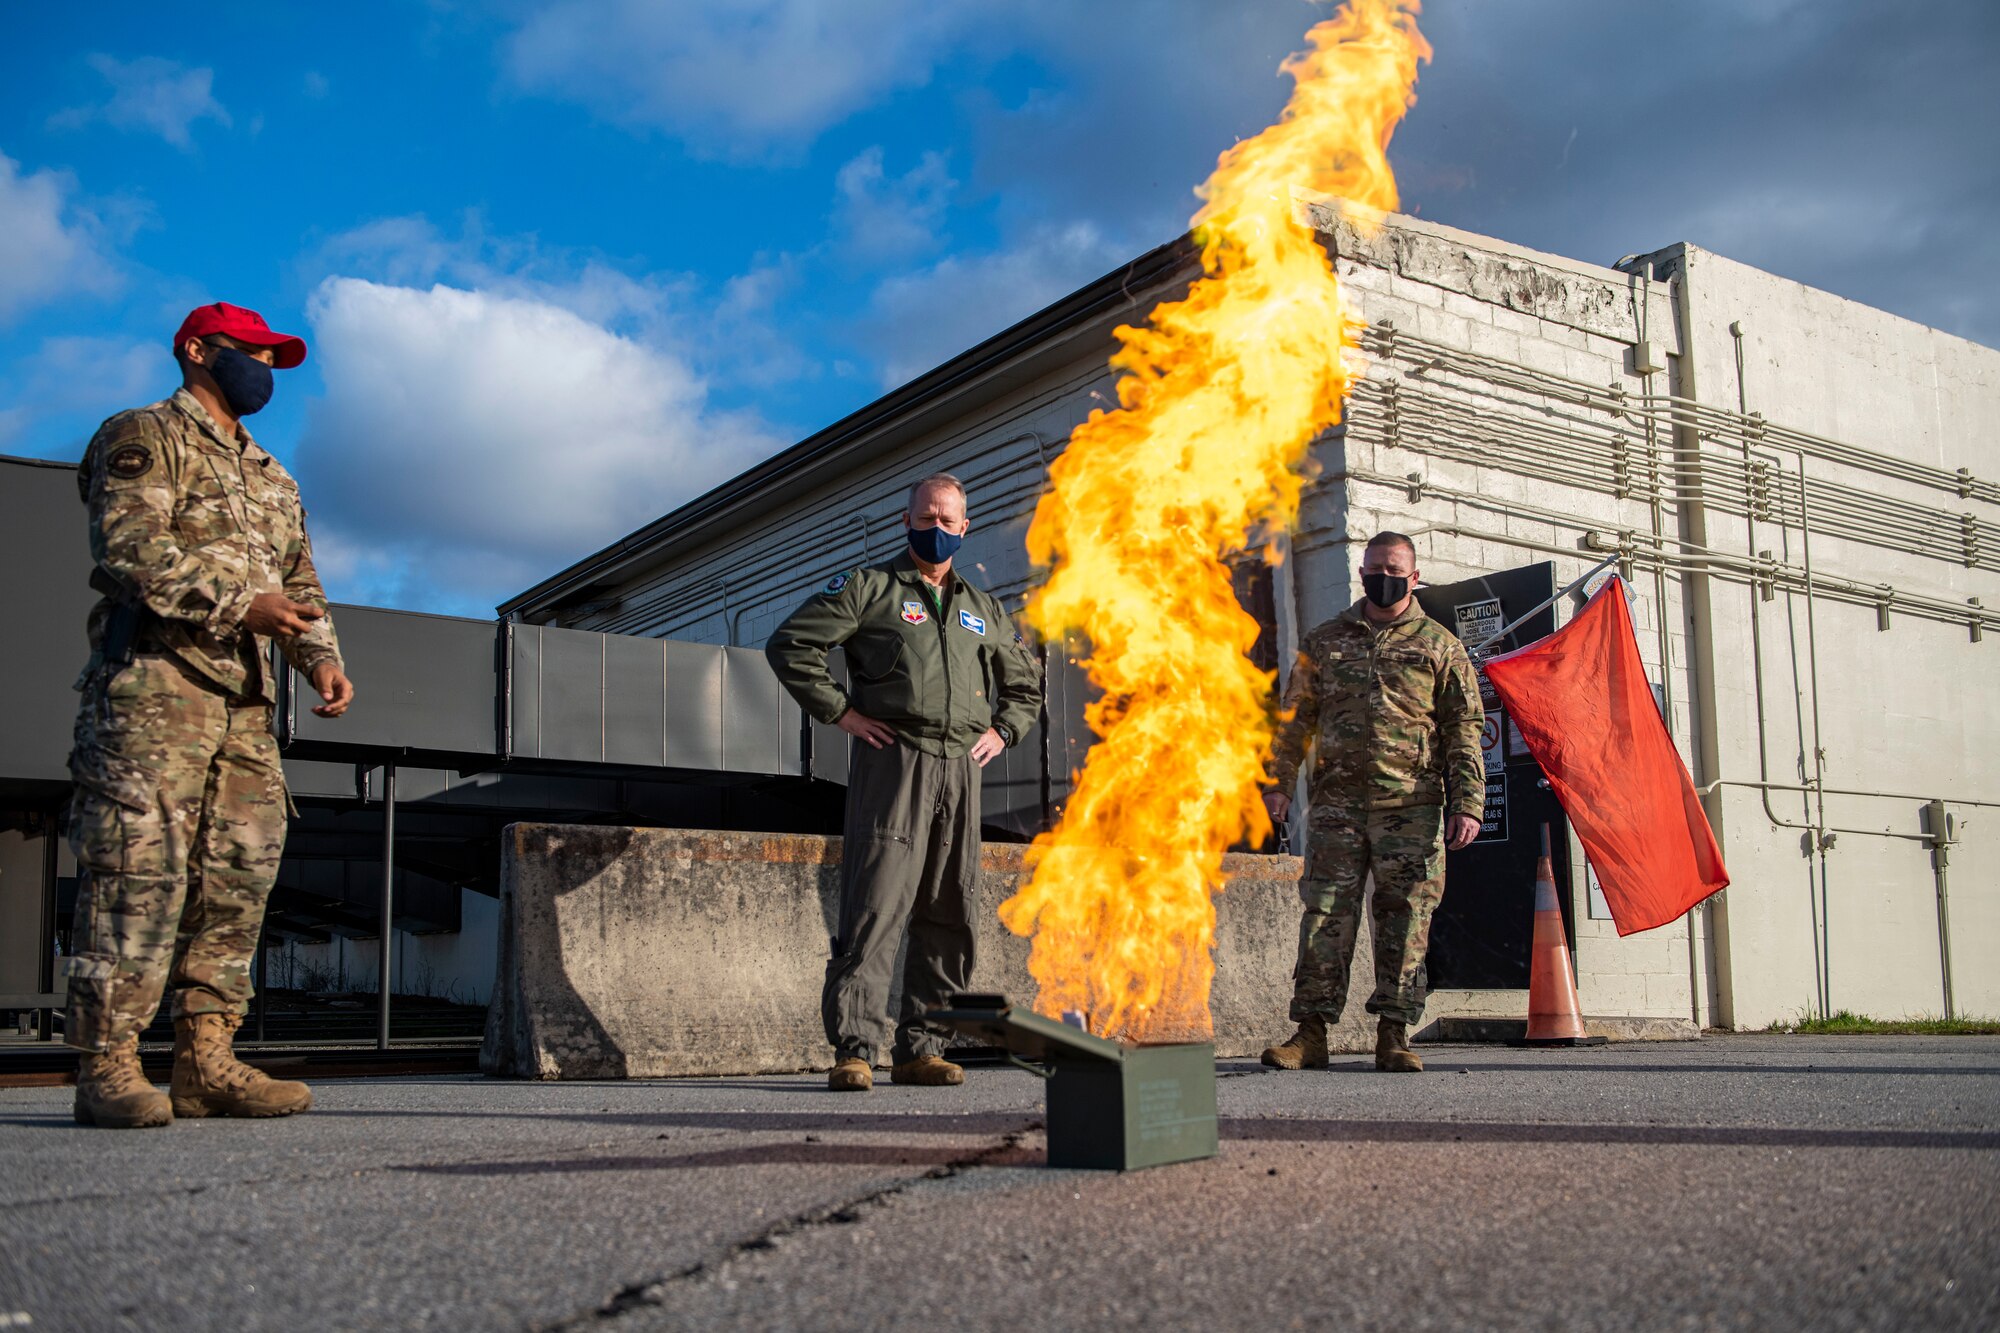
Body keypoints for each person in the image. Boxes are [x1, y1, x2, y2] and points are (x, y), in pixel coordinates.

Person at [66, 302, 355, 1128]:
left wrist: (322, 658)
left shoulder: (271, 474)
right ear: (197, 351)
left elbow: (299, 585)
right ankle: (109, 1065)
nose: (261, 367)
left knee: (239, 876)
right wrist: (239, 602)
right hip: (156, 690)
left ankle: (206, 1061)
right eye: (248, 352)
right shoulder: (143, 434)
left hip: (244, 705)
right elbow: (127, 546)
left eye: (271, 356)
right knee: (137, 870)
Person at [766, 474, 1042, 1092]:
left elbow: (1024, 687)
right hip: (896, 760)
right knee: (876, 903)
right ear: (907, 520)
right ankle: (856, 1049)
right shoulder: (869, 589)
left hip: (961, 768)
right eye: (926, 519)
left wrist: (1003, 732)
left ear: (965, 527)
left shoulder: (984, 609)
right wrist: (841, 712)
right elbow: (791, 644)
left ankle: (923, 1047)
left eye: (948, 521)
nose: (936, 530)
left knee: (951, 909)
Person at [1260, 531, 1483, 1073]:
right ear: (1362, 574)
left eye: (1394, 568)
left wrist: (1468, 801)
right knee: (1324, 918)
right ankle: (1310, 1034)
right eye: (1374, 568)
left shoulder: (1439, 645)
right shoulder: (1326, 640)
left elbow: (1464, 727)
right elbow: (1295, 720)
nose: (1383, 577)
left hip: (1412, 807)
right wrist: (1278, 783)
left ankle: (1394, 1034)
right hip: (1337, 806)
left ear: (1414, 576)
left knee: (1405, 919)